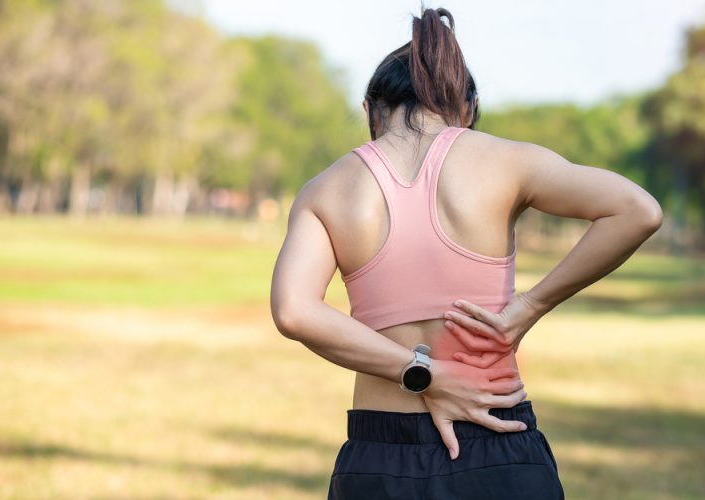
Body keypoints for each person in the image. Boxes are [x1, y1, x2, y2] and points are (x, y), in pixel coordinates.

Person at [270, 6, 662, 500]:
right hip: (496, 439)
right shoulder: (507, 161)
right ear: (468, 108)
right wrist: (531, 305)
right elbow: (638, 210)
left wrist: (422, 375)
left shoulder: (325, 189)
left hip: (377, 458)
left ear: (371, 109)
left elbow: (294, 311)